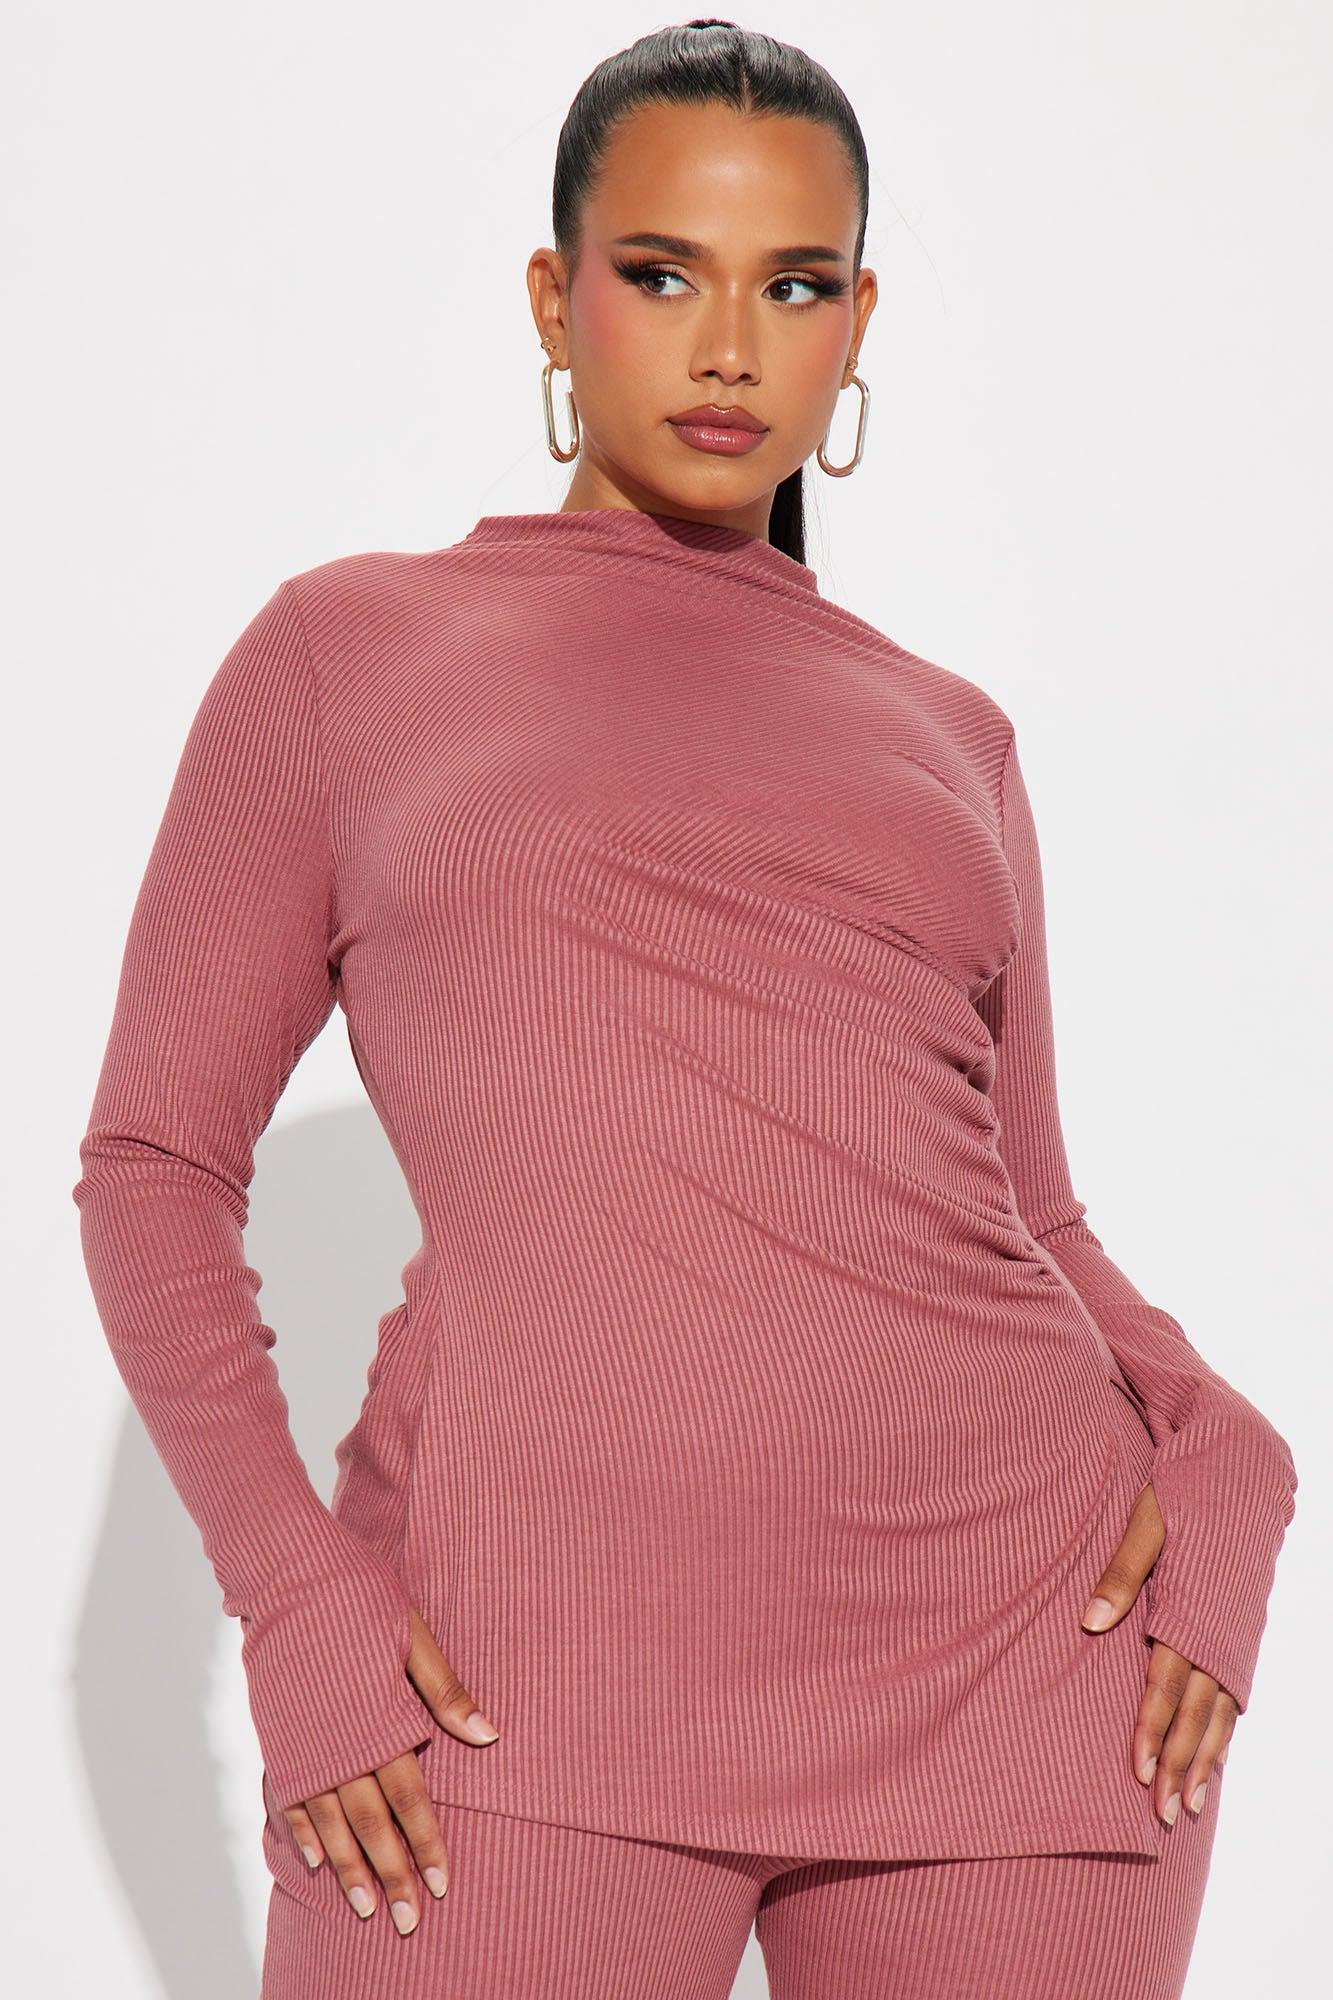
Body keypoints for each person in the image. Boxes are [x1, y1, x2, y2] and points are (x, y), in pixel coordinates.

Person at [72, 20, 1298, 2000]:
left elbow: (1031, 1208)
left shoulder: (950, 735)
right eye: (662, 273)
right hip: (505, 1680)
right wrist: (295, 1597)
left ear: (856, 321)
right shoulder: (346, 655)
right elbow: (152, 1162)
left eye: (793, 285)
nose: (729, 348)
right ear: (552, 297)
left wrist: (1226, 1444)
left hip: (1014, 1667)